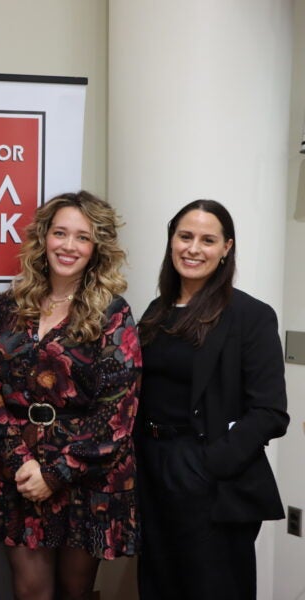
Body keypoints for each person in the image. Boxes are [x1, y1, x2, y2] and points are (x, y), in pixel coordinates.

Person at [0, 191, 141, 600]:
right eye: (60, 233)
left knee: (74, 592)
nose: (68, 245)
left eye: (82, 237)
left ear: (97, 247)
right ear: (43, 238)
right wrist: (21, 461)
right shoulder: (11, 305)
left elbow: (118, 411)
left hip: (87, 472)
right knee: (30, 593)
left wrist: (57, 473)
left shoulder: (112, 313)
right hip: (23, 469)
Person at [136, 199, 288, 600]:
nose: (193, 248)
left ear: (226, 248)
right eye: (185, 236)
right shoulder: (156, 312)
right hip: (152, 468)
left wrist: (210, 464)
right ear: (171, 242)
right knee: (159, 585)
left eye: (208, 239)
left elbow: (270, 411)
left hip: (210, 476)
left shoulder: (250, 315)